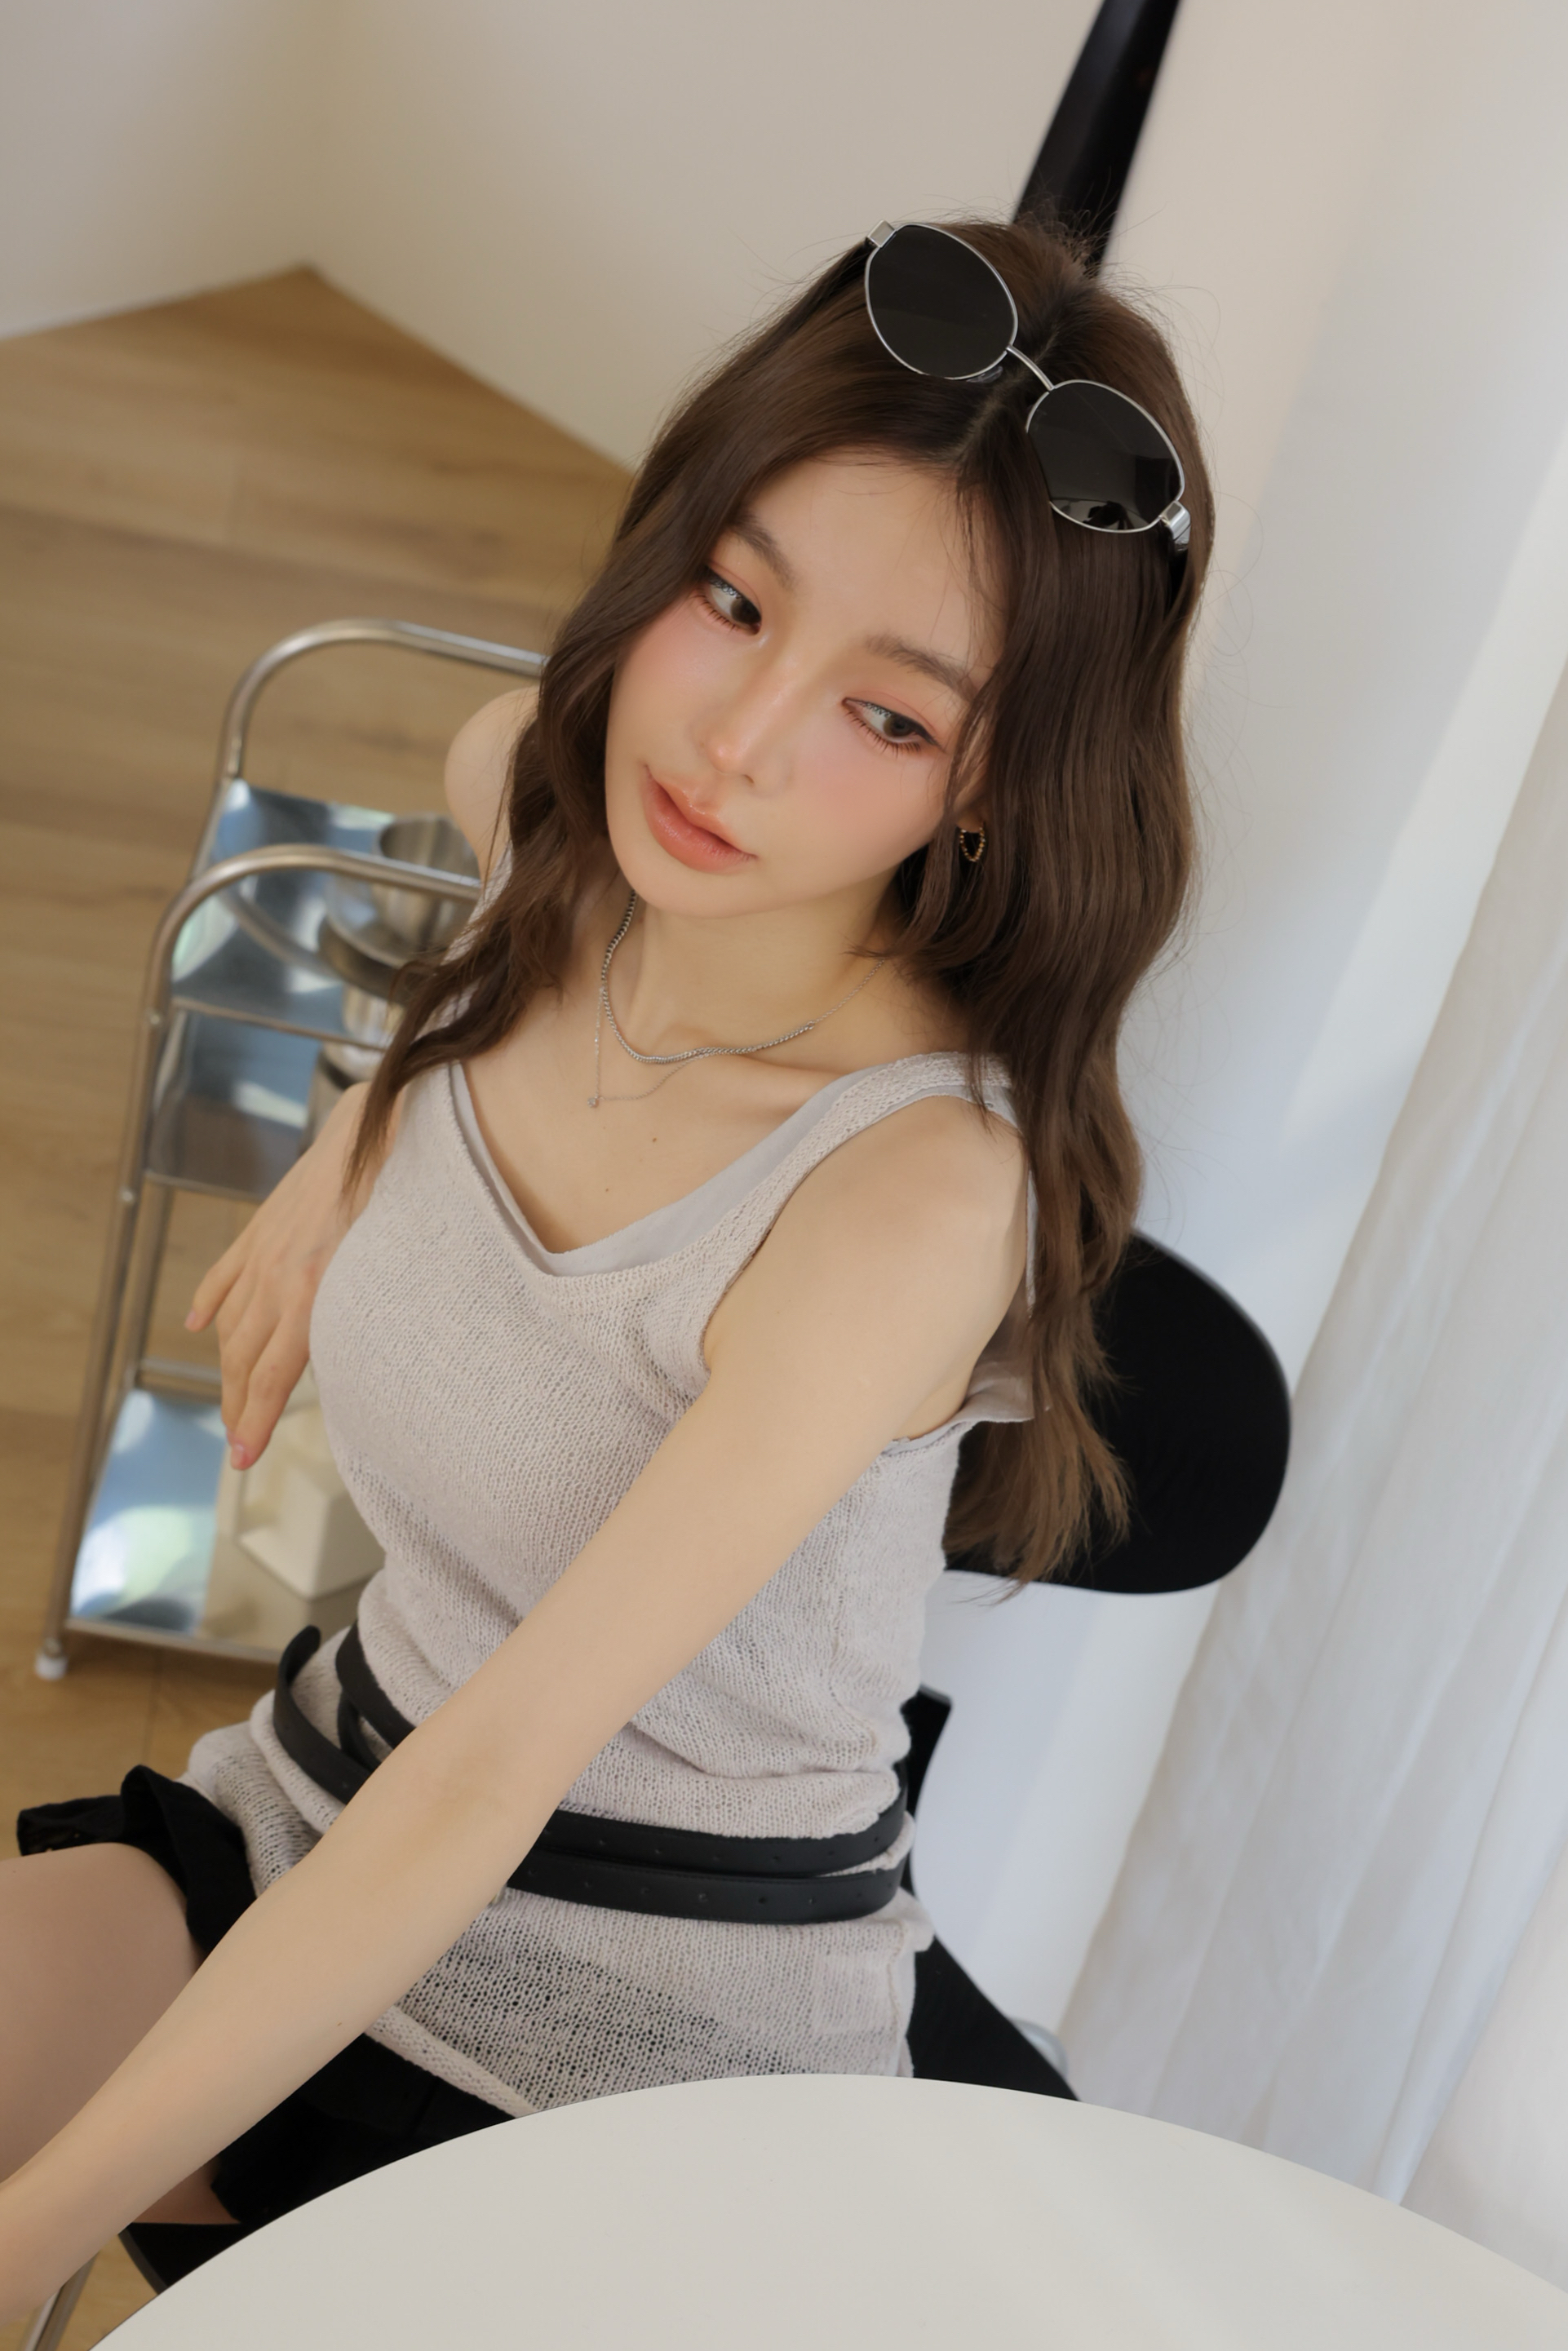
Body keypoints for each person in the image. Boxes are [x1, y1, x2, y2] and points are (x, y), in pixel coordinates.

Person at [0, 214, 1210, 2318]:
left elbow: (503, 1769)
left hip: (655, 2022)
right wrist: (362, 1134)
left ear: (992, 784)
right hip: (322, 1804)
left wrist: (22, 2241)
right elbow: (501, 778)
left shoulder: (909, 1197)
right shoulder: (580, 849)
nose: (736, 740)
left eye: (886, 717)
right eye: (732, 600)